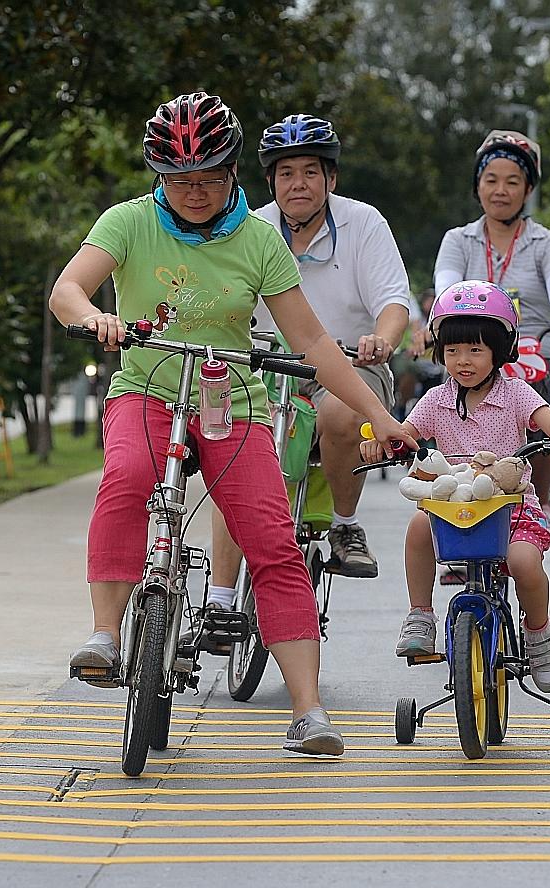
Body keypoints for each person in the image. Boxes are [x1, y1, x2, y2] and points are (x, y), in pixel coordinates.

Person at [48, 92, 412, 755]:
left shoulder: (259, 240)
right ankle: (104, 635)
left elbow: (314, 344)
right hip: (146, 389)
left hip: (230, 399)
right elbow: (67, 289)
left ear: (233, 169)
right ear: (158, 177)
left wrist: (380, 416)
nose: (195, 190)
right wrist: (93, 316)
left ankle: (308, 712)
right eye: (180, 180)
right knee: (127, 477)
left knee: (272, 540)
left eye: (210, 176)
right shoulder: (127, 223)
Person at [202, 113, 411, 592]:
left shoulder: (364, 222)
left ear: (331, 178)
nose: (298, 184)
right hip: (266, 366)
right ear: (271, 180)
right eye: (286, 172)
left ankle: (344, 525)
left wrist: (382, 338)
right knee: (228, 447)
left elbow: (394, 302)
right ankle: (220, 595)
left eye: (311, 172)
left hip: (351, 363)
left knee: (341, 414)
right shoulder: (247, 229)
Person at [359, 281, 550, 692]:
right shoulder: (435, 399)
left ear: (500, 351)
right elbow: (404, 434)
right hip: (454, 510)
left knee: (523, 563)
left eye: (475, 350)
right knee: (416, 527)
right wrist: (382, 444)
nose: (462, 361)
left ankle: (539, 633)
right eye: (452, 351)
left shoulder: (517, 393)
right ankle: (420, 615)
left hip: (510, 510)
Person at [434, 129, 550, 543]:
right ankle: (457, 502)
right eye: (491, 180)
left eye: (512, 182)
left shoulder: (547, 242)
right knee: (452, 386)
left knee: (546, 383)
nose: (500, 191)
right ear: (477, 186)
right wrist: (432, 324)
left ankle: (540, 501)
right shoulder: (458, 239)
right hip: (479, 349)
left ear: (527, 190)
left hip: (535, 345)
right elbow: (446, 285)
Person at [391, 286, 444, 417]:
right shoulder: (421, 321)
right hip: (402, 354)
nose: (431, 303)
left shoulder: (443, 322)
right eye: (429, 300)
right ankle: (401, 409)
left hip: (430, 365)